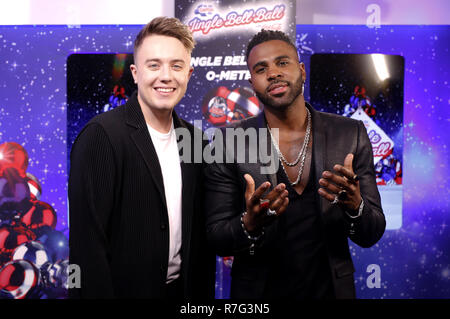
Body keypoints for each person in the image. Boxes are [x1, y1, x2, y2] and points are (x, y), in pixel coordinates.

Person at [204, 30, 386, 299]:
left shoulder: (350, 134)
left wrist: (355, 205)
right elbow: (216, 237)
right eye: (261, 68)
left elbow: (371, 232)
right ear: (252, 82)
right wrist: (249, 222)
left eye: (282, 62)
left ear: (301, 70)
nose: (274, 73)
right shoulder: (226, 142)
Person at [69, 17, 215, 299]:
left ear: (189, 74)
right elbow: (87, 249)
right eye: (154, 65)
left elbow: (201, 235)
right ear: (135, 73)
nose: (166, 76)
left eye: (176, 65)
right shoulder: (101, 135)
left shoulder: (196, 140)